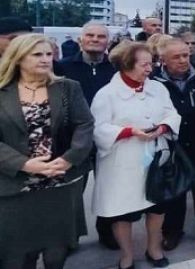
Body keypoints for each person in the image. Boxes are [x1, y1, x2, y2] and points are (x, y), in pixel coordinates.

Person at [0, 34, 94, 269]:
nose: (45, 59)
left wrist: (69, 159)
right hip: (15, 183)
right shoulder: (3, 90)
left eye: (49, 54)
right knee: (17, 255)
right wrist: (23, 163)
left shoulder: (67, 88)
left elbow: (84, 124)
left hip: (60, 180)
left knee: (56, 252)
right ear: (18, 58)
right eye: (37, 54)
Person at [92, 41, 181, 269]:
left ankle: (153, 248)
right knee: (123, 211)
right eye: (144, 65)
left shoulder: (158, 88)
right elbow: (98, 129)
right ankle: (127, 255)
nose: (150, 69)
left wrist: (162, 128)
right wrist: (129, 131)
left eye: (151, 64)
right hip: (122, 161)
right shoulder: (107, 94)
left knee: (156, 207)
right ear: (126, 64)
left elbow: (172, 114)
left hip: (155, 156)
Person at [53, 22, 119, 249]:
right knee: (71, 193)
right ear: (81, 39)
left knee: (109, 188)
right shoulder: (62, 68)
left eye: (101, 36)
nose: (95, 39)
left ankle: (108, 232)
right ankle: (67, 238)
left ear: (107, 42)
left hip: (107, 139)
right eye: (90, 35)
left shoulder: (115, 69)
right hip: (73, 141)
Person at [153, 38, 195, 250]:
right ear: (163, 59)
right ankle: (172, 230)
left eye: (186, 55)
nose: (184, 60)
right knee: (174, 190)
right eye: (177, 57)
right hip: (173, 145)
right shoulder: (154, 82)